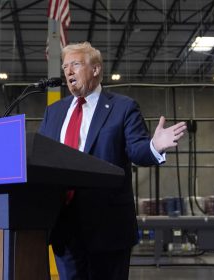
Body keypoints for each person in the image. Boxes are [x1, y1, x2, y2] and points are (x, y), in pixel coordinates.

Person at [39, 41, 187, 280]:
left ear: (96, 69)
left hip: (106, 227)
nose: (68, 71)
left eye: (75, 64)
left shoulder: (122, 107)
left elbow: (137, 149)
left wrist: (154, 146)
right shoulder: (54, 112)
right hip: (64, 227)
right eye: (65, 66)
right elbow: (42, 157)